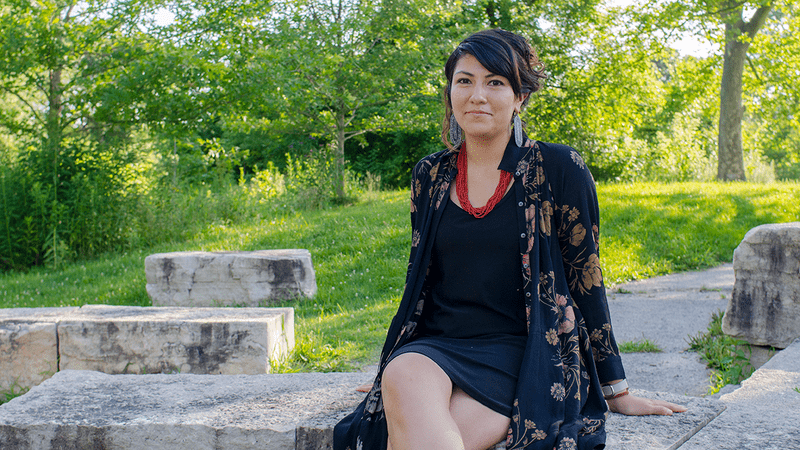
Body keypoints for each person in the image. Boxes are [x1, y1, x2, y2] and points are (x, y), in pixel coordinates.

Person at [334, 29, 686, 450]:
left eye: (495, 82)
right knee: (403, 374)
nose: (477, 95)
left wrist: (616, 390)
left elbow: (586, 278)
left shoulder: (559, 168)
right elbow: (419, 281)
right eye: (464, 81)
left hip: (527, 354)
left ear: (520, 97)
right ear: (449, 93)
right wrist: (384, 382)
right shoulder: (429, 176)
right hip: (438, 347)